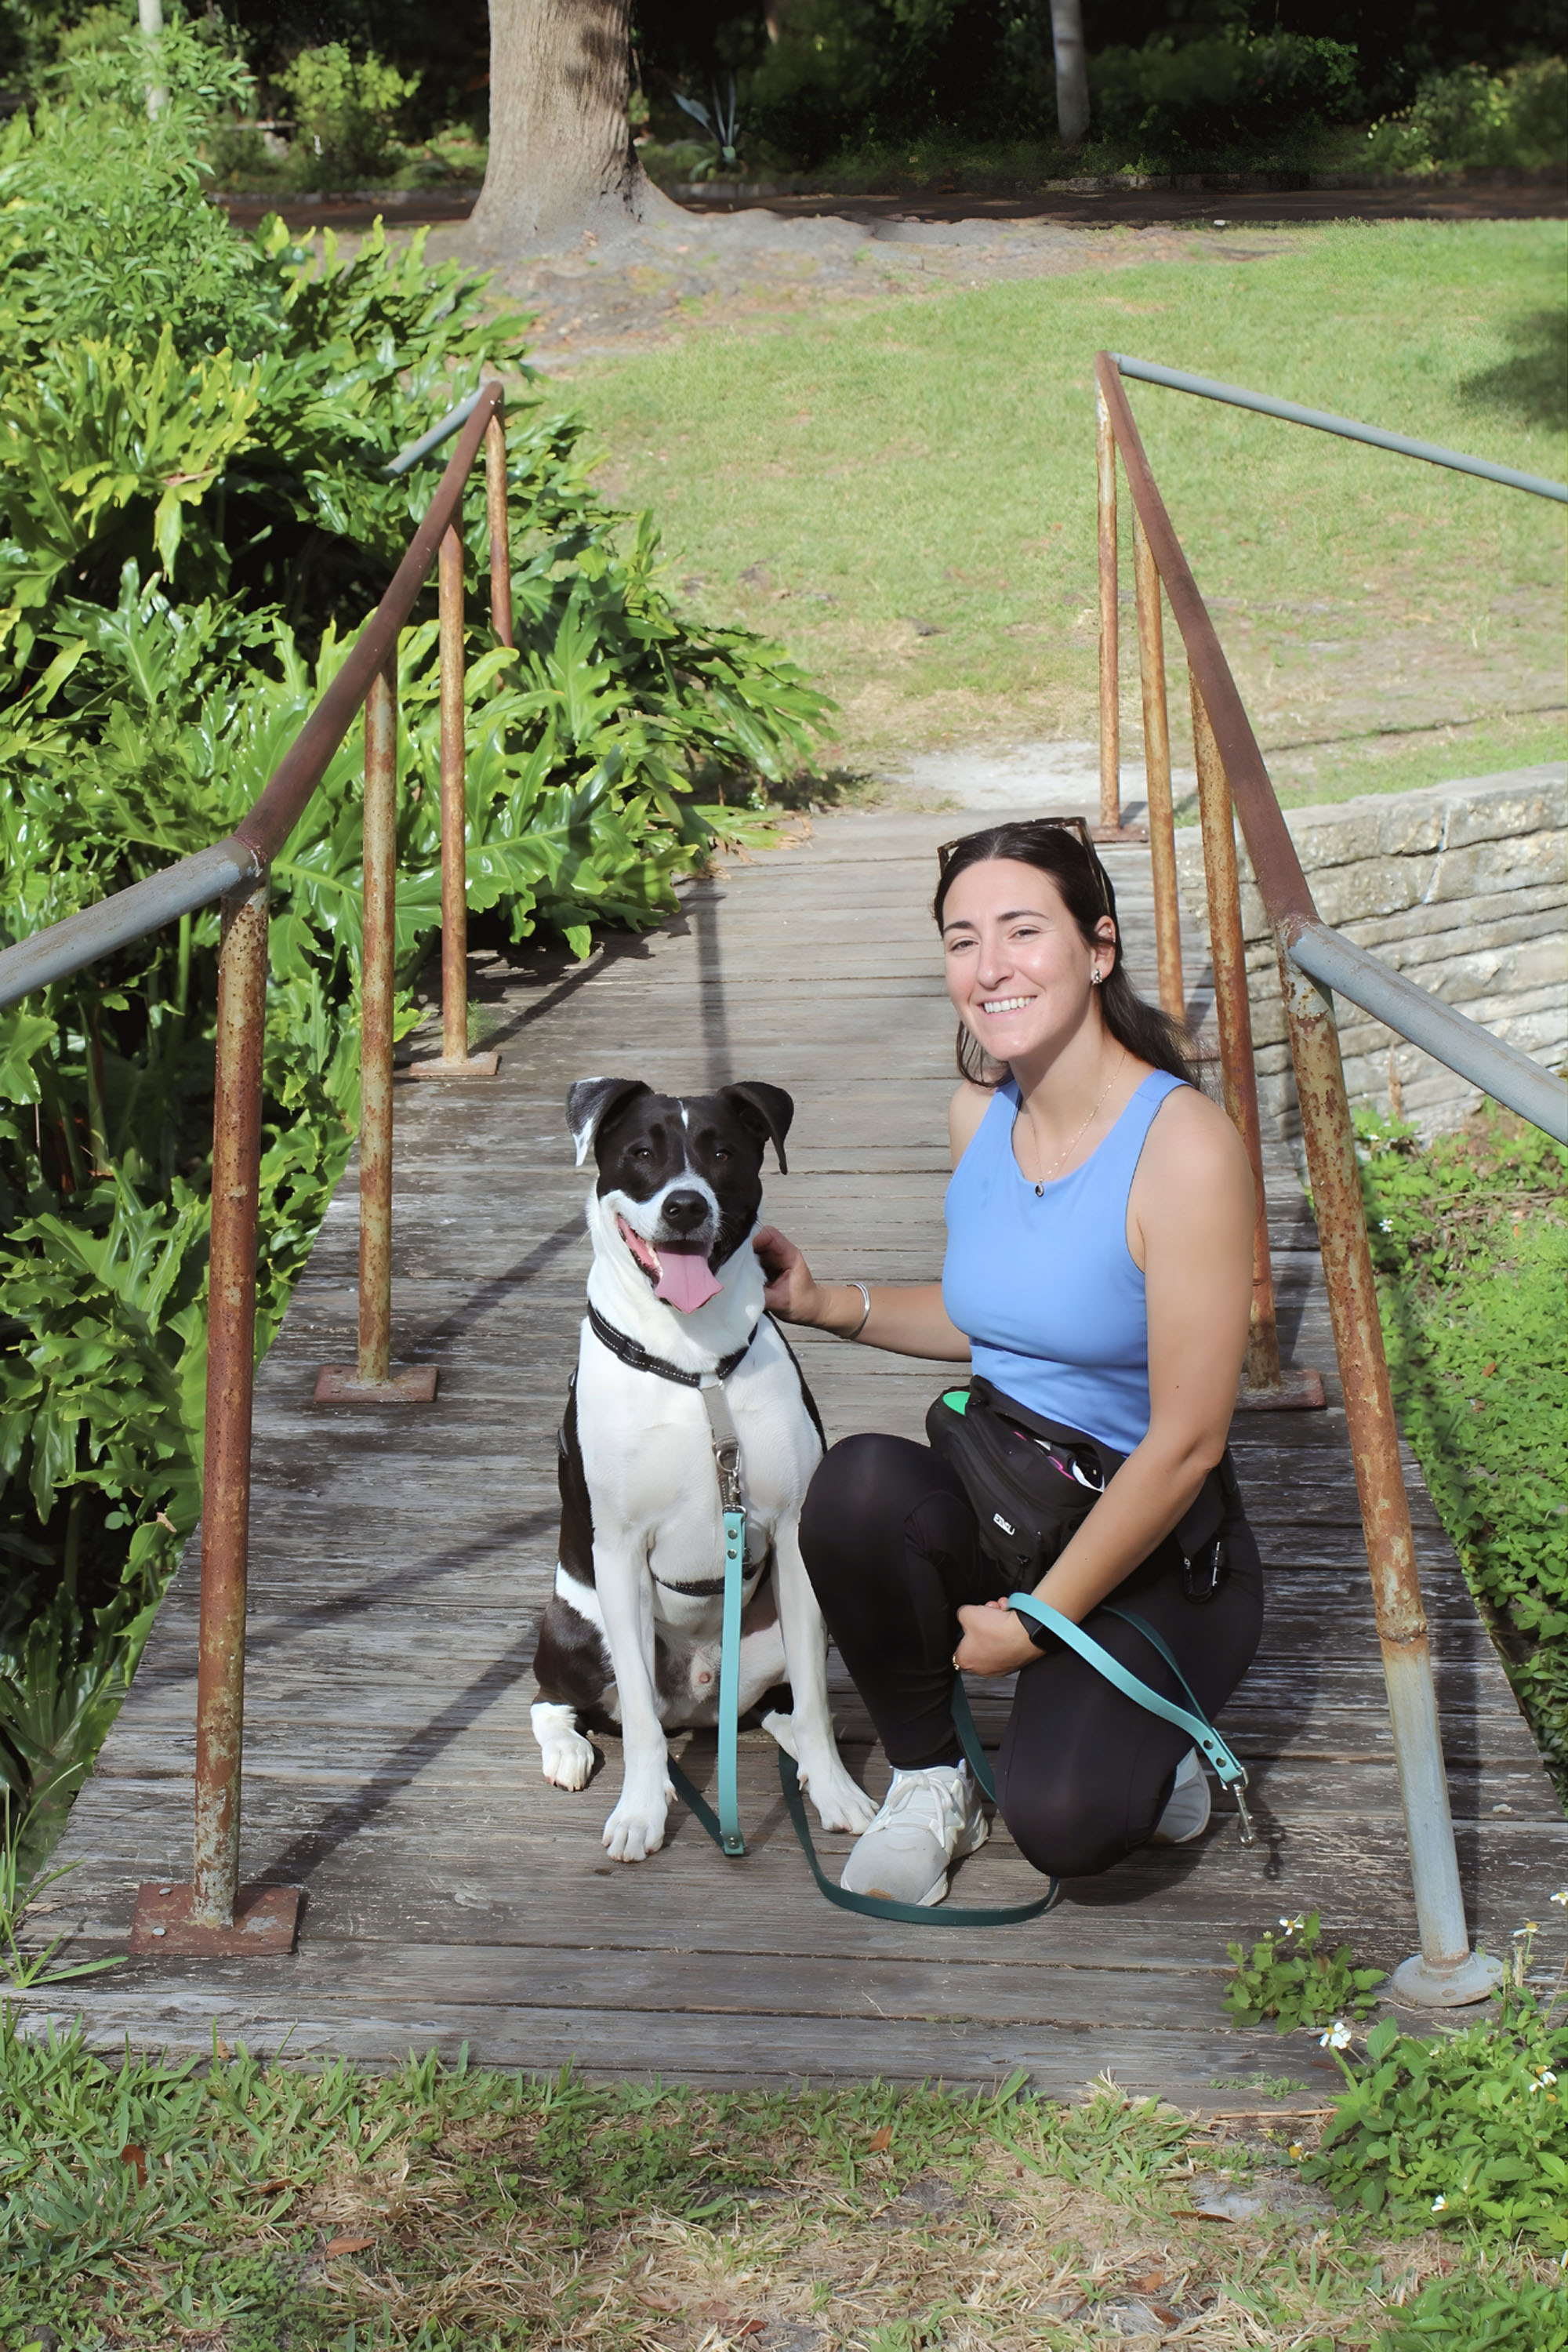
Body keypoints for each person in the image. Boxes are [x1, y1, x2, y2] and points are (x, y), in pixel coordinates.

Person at [753, 818, 1263, 1907]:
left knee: (1070, 1829)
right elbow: (1000, 1319)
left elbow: (1187, 1445)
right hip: (1011, 1496)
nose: (990, 968)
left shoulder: (1184, 1148)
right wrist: (824, 1303)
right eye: (961, 939)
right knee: (854, 1492)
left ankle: (1158, 1751)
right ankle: (932, 1780)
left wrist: (1039, 1626)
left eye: (1023, 930)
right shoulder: (977, 1116)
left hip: (1155, 1541)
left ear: (1100, 946)